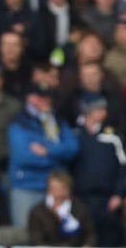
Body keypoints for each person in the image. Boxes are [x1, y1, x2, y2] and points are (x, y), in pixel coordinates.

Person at [7, 84, 79, 225]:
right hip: (27, 187)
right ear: (29, 98)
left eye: (46, 97)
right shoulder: (19, 123)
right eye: (38, 96)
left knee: (56, 235)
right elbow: (23, 157)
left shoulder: (57, 122)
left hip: (57, 190)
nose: (43, 100)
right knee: (25, 233)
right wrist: (59, 159)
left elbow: (72, 148)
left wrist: (48, 151)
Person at [73, 95, 126, 247]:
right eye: (99, 109)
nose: (103, 113)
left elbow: (123, 167)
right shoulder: (74, 134)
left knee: (108, 236)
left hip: (106, 198)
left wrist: (118, 193)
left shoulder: (113, 136)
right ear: (88, 111)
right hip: (80, 197)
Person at [27, 171, 97, 247]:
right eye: (54, 189)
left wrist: (87, 247)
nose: (58, 193)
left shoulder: (80, 209)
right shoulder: (37, 211)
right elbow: (36, 240)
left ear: (69, 190)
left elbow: (90, 235)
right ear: (48, 190)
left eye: (62, 189)